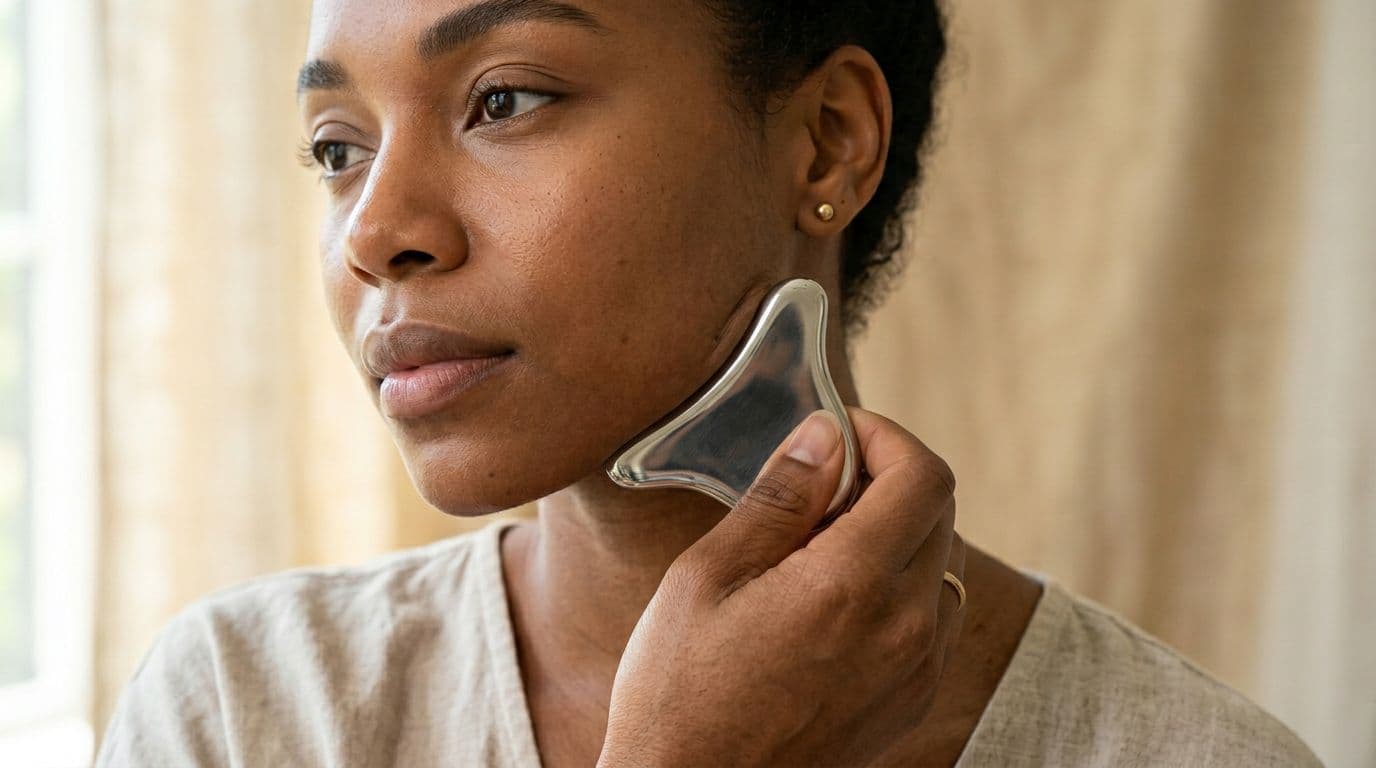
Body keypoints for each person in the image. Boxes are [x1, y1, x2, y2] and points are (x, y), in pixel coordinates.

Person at [96, 1, 1322, 765]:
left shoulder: (1189, 756)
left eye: (503, 99)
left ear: (826, 138)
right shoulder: (242, 715)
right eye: (336, 150)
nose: (375, 232)